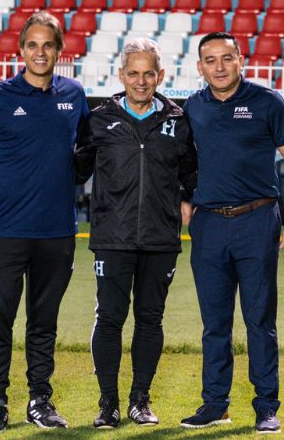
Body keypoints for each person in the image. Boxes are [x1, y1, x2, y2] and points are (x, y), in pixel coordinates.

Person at [0, 11, 89, 433]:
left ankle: (40, 401)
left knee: (43, 323)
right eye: (32, 44)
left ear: (59, 50)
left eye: (47, 44)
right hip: (5, 233)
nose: (39, 52)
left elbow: (85, 156)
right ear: (20, 50)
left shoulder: (75, 95)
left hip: (57, 233)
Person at [179, 32, 284, 435]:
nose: (219, 66)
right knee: (214, 323)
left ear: (240, 61)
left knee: (259, 320)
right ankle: (215, 405)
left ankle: (267, 407)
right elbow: (180, 162)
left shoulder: (267, 102)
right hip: (209, 224)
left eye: (226, 58)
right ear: (199, 67)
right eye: (210, 60)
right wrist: (184, 201)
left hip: (257, 220)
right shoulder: (191, 108)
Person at [74, 38, 197, 430]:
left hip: (161, 239)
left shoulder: (179, 121)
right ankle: (107, 403)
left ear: (160, 76)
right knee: (109, 319)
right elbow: (74, 171)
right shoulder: (97, 119)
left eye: (149, 73)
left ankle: (139, 401)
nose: (141, 81)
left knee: (150, 320)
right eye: (133, 73)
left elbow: (193, 175)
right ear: (121, 75)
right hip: (112, 237)